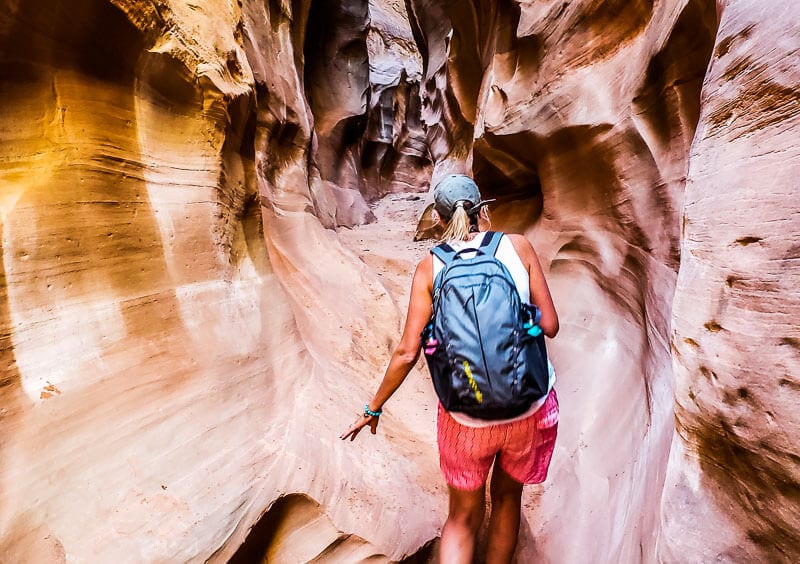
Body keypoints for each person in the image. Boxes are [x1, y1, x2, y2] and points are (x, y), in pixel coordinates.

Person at [340, 174, 559, 563]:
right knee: (507, 500)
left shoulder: (430, 268)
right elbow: (551, 326)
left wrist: (372, 409)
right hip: (529, 404)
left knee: (460, 517)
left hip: (465, 415)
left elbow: (408, 352)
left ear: (440, 220)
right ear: (482, 211)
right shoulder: (519, 247)